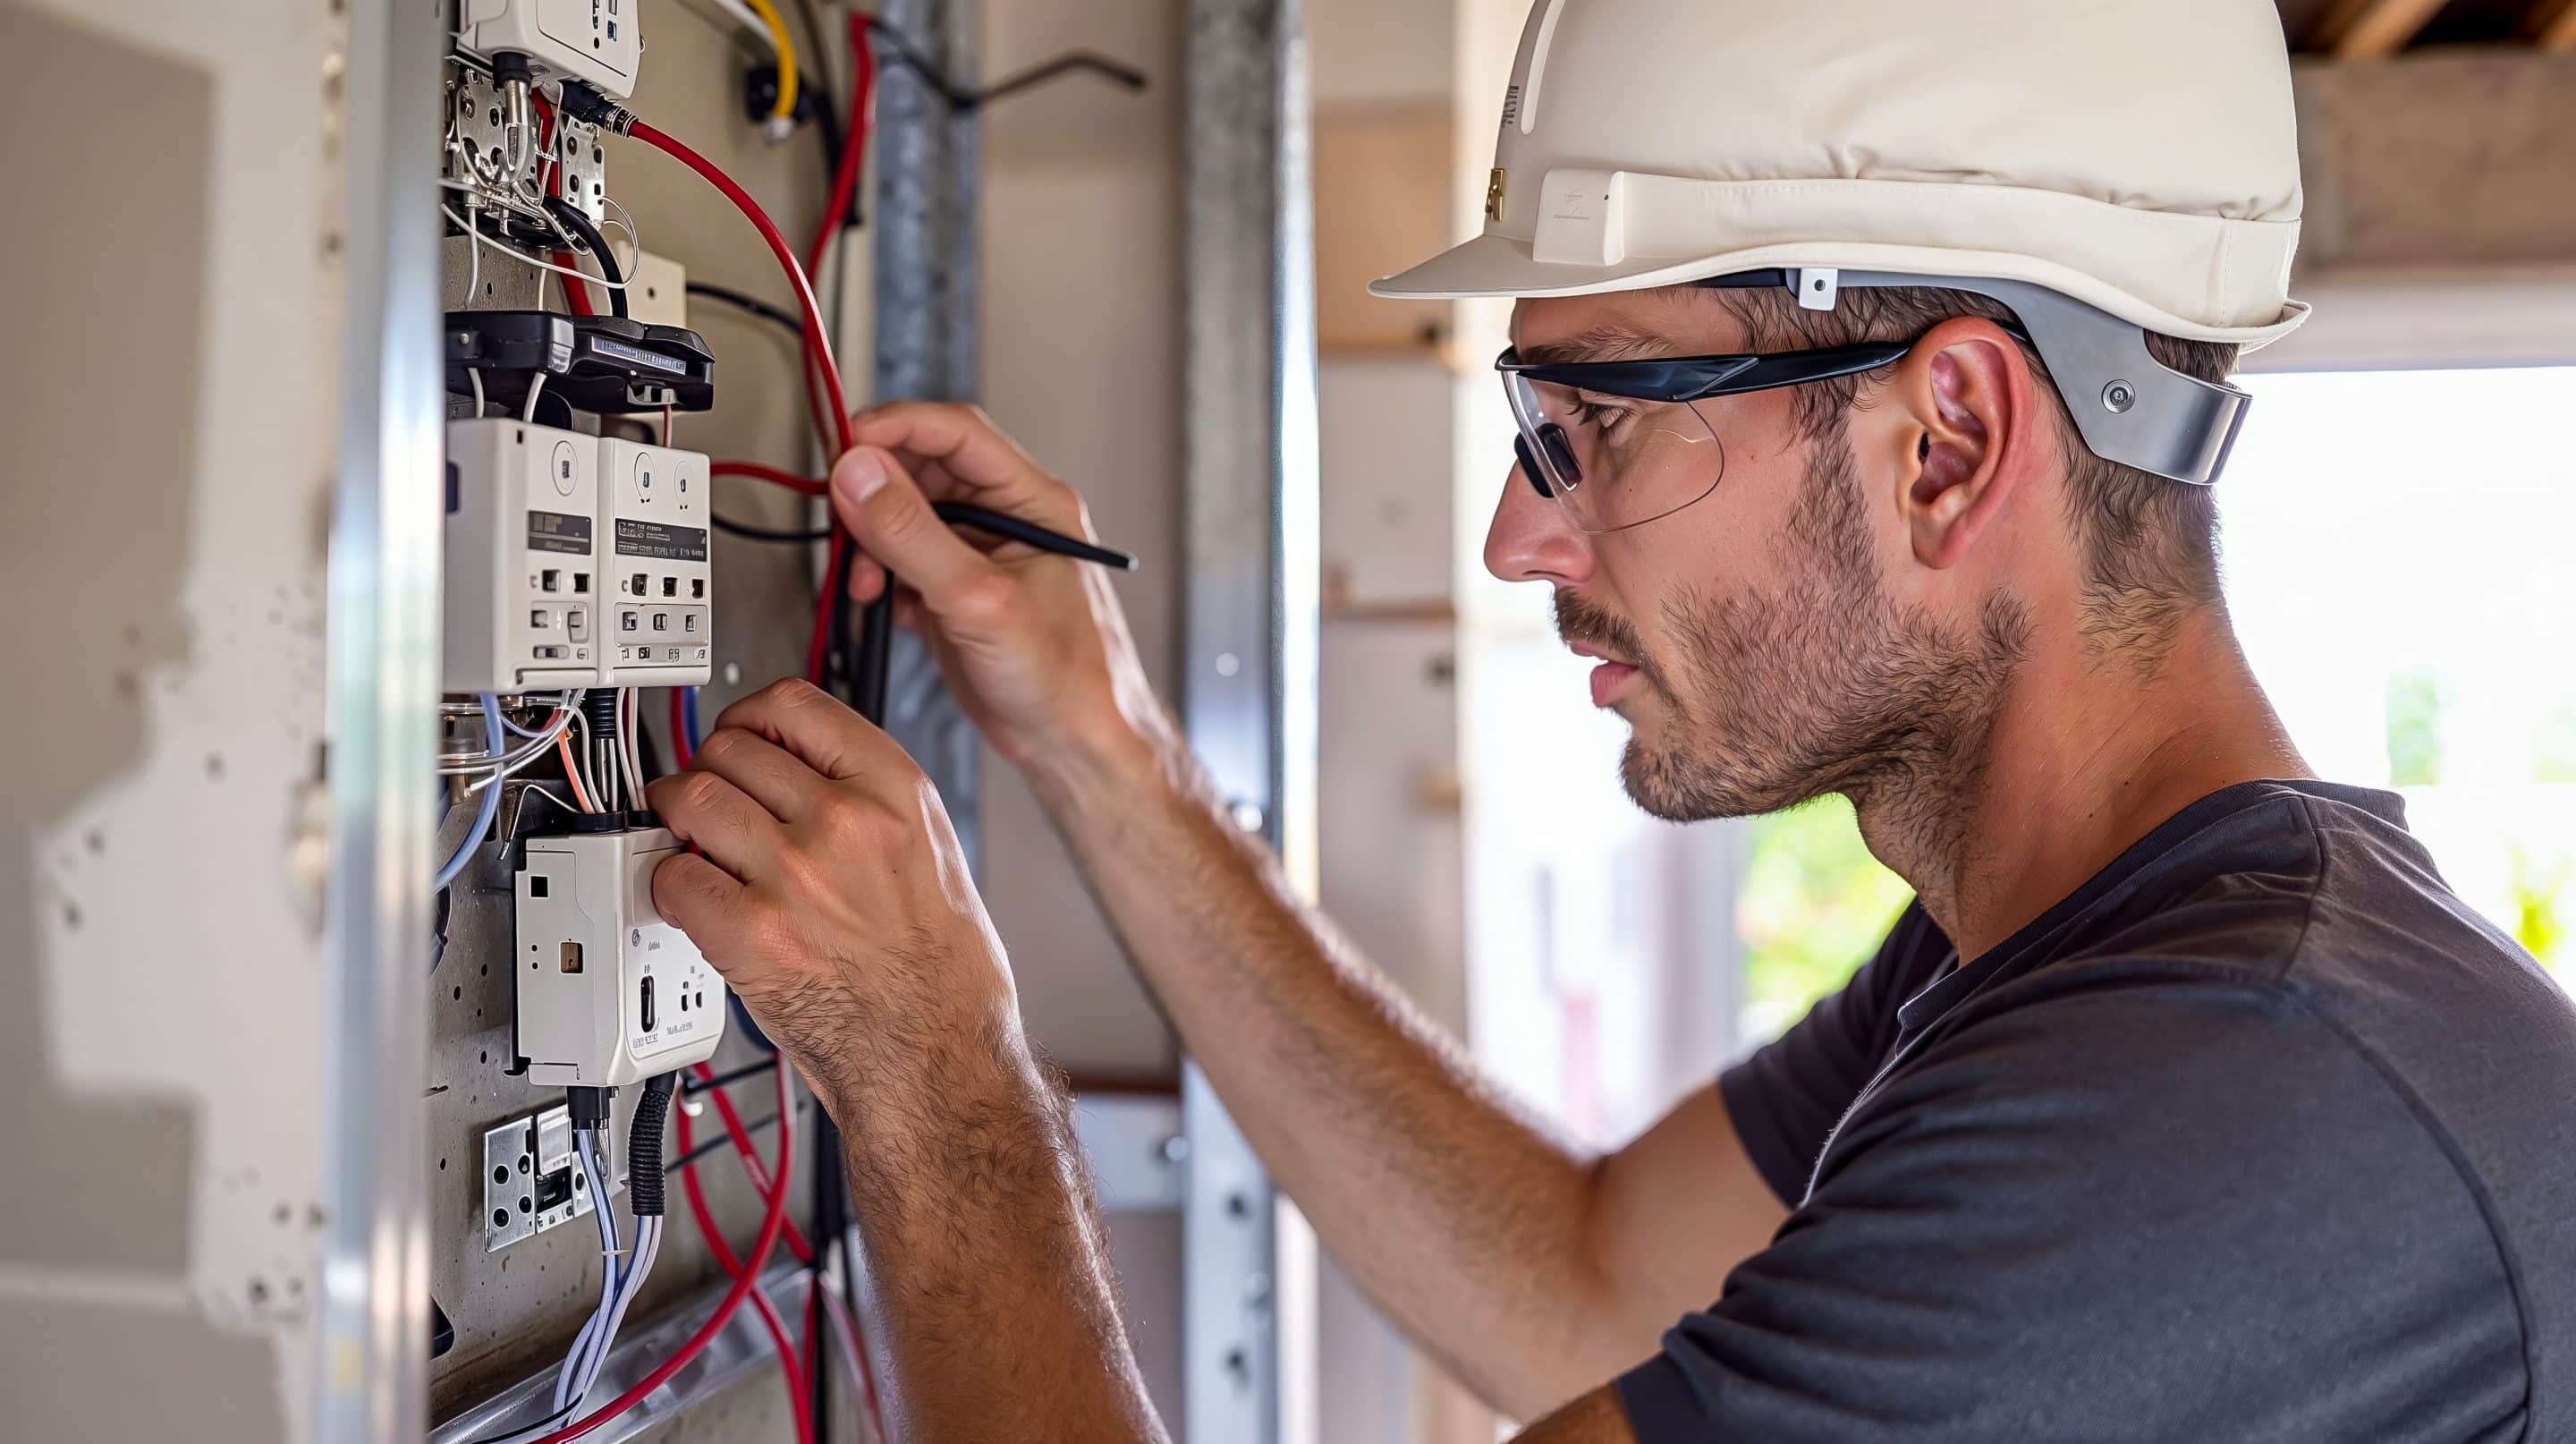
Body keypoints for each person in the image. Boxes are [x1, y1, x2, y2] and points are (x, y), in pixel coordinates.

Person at [644, 0, 2576, 1438]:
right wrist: (1097, 737)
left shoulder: (2219, 1103)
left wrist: (937, 1082)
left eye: (1595, 429)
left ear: (1949, 443)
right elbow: (1571, 1291)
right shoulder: (2081, 962)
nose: (1511, 533)